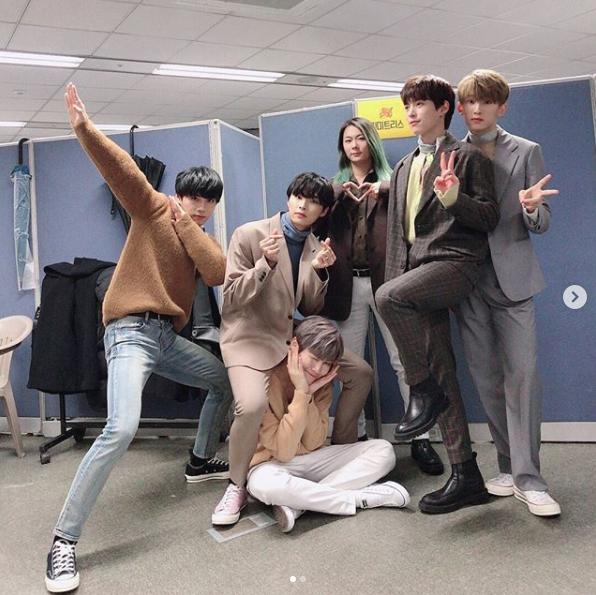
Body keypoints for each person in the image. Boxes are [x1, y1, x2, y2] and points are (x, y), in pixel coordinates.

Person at [45, 83, 234, 594]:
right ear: (178, 194)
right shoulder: (151, 209)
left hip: (166, 338)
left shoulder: (197, 234)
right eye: (193, 198)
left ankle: (199, 460)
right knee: (122, 427)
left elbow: (216, 271)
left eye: (209, 202)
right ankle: (63, 541)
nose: (200, 207)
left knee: (221, 381)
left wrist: (187, 224)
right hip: (130, 332)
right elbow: (122, 170)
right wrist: (84, 128)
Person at [212, 172, 373, 526]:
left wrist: (319, 273)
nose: (303, 205)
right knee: (251, 405)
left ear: (323, 211)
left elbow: (310, 309)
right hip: (249, 337)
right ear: (288, 198)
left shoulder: (316, 246)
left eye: (313, 202)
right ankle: (236, 485)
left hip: (289, 335)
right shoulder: (249, 234)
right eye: (298, 197)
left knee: (361, 373)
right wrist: (265, 265)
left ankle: (340, 448)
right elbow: (231, 299)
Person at [374, 74, 500, 514]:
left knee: (387, 298)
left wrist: (453, 199)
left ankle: (420, 389)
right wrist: (394, 278)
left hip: (454, 264)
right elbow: (398, 235)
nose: (411, 112)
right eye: (407, 105)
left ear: (444, 108)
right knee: (443, 370)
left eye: (420, 104)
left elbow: (488, 217)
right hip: (414, 274)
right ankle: (467, 475)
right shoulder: (403, 167)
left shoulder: (467, 156)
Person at [455, 69, 560, 516]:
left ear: (502, 107)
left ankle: (530, 479)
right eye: (469, 102)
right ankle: (507, 466)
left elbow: (543, 222)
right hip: (467, 283)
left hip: (513, 281)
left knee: (523, 378)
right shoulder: (449, 153)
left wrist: (533, 208)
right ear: (460, 108)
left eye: (486, 101)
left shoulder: (526, 151)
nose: (477, 109)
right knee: (486, 379)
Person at [317, 116, 444, 475]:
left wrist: (384, 190)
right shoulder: (332, 188)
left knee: (405, 362)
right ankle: (353, 438)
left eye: (360, 139)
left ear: (372, 142)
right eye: (348, 140)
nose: (354, 146)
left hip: (388, 283)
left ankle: (421, 438)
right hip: (347, 286)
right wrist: (337, 194)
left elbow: (418, 212)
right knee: (350, 365)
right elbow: (314, 223)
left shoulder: (396, 180)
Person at [247, 316, 409, 533]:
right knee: (264, 485)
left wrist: (308, 395)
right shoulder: (263, 380)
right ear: (295, 346)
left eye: (326, 363)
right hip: (270, 464)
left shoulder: (320, 381)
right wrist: (302, 393)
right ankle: (359, 498)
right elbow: (284, 451)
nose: (318, 369)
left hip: (313, 459)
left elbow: (314, 442)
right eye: (314, 358)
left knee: (383, 451)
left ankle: (299, 505)